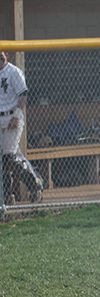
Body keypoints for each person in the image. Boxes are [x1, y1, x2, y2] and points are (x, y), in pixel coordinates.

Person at [0, 51, 43, 204]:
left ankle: (35, 184)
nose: (0, 58)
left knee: (8, 156)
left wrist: (17, 115)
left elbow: (23, 95)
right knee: (7, 157)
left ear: (7, 57)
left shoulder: (13, 71)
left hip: (12, 117)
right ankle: (6, 195)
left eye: (2, 55)